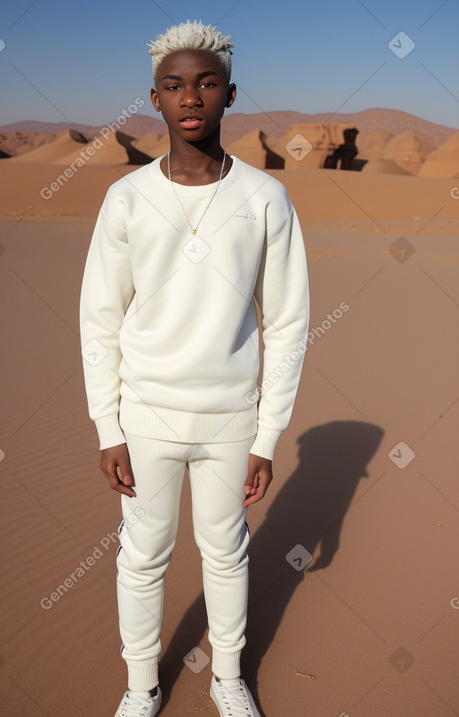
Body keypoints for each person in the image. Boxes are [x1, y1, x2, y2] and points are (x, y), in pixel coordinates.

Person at [79, 19, 310, 717]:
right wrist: (105, 425)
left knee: (227, 554)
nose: (191, 97)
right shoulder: (126, 198)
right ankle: (141, 686)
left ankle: (228, 678)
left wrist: (268, 436)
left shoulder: (267, 199)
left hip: (230, 420)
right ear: (154, 99)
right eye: (175, 85)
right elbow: (100, 317)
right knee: (141, 559)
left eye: (206, 83)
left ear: (229, 94)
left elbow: (289, 322)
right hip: (144, 418)